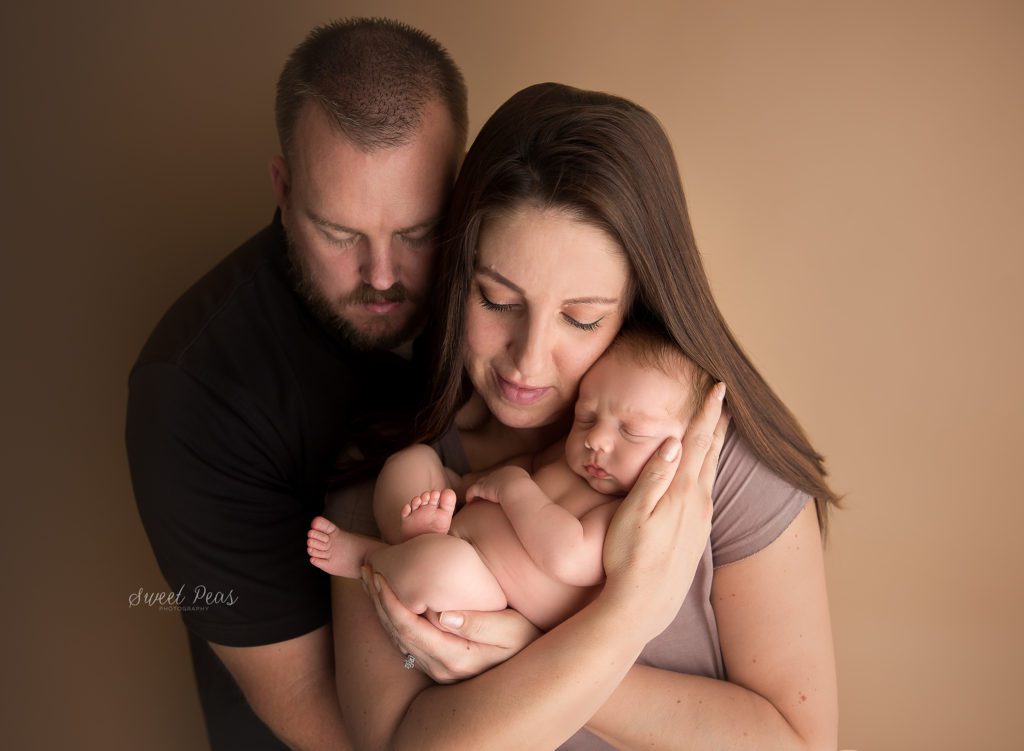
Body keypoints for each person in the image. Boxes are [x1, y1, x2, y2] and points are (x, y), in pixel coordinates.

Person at [330, 82, 840, 750]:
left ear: (635, 305)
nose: (527, 360)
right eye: (497, 300)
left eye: (581, 318)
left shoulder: (710, 460)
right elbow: (399, 743)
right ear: (458, 279)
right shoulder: (394, 467)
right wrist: (621, 620)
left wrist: (535, 649)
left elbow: (798, 743)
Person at [124, 18, 467, 750]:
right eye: (340, 234)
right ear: (283, 190)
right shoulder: (192, 390)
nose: (382, 276)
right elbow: (313, 704)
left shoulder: (503, 290)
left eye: (416, 233)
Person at [308, 329, 713, 632]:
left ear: (681, 451)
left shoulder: (626, 514)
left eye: (631, 432)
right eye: (586, 417)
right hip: (457, 524)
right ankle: (409, 535)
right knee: (411, 461)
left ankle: (370, 558)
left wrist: (513, 488)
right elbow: (524, 466)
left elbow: (566, 554)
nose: (597, 440)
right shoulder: (567, 460)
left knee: (438, 569)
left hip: (487, 590)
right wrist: (462, 485)